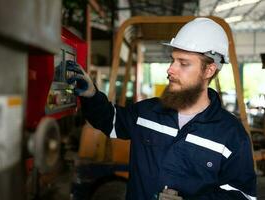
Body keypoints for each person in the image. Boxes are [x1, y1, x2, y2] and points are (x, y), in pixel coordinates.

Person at [66, 17, 257, 200]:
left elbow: (243, 195)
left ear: (209, 70)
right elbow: (111, 120)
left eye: (183, 63)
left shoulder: (231, 135)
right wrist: (91, 95)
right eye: (172, 60)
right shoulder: (148, 112)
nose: (170, 69)